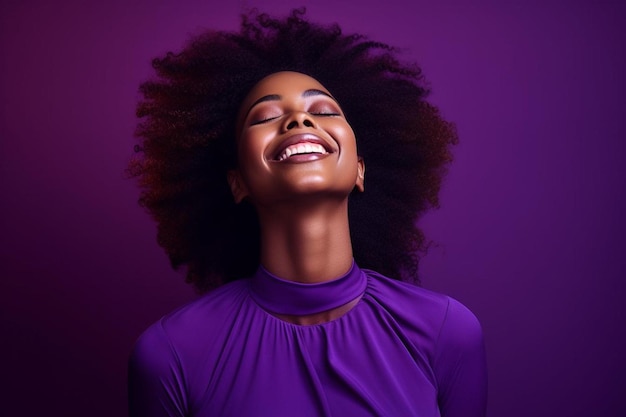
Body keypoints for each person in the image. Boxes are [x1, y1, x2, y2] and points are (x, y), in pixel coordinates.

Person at [127, 9, 487, 417]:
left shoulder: (446, 333)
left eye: (325, 111)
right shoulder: (170, 355)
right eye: (264, 117)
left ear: (359, 170)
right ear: (237, 182)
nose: (299, 119)